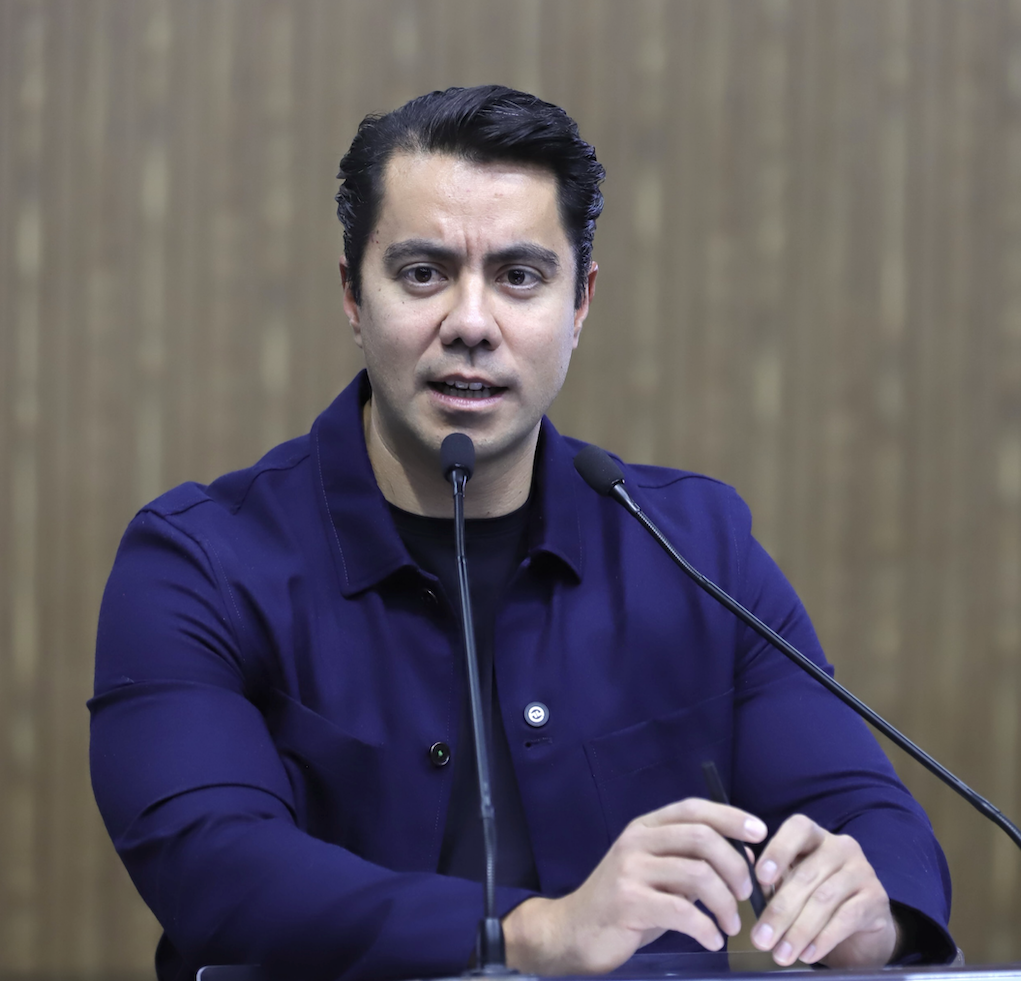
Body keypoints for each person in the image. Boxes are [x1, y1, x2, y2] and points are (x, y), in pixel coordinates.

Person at [90, 86, 955, 981]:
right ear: (352, 294)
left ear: (580, 303)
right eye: (422, 273)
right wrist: (536, 932)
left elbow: (866, 816)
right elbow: (215, 869)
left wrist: (873, 919)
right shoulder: (200, 563)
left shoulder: (698, 549)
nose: (471, 324)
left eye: (519, 277)